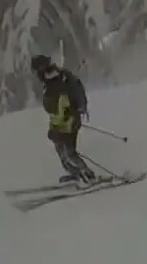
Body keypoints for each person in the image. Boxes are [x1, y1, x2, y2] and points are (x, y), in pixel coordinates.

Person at [31, 54, 99, 187]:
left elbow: (73, 93)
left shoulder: (61, 79)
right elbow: (54, 110)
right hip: (60, 124)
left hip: (69, 122)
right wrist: (53, 128)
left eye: (36, 70)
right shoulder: (48, 82)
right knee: (62, 152)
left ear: (42, 67)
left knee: (69, 152)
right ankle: (77, 174)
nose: (36, 74)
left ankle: (87, 175)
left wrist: (80, 108)